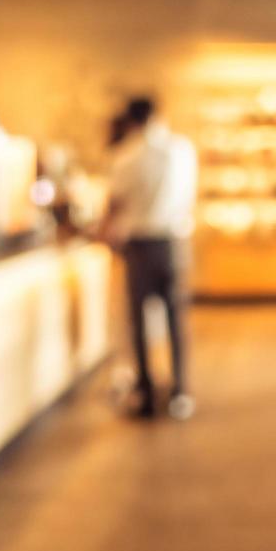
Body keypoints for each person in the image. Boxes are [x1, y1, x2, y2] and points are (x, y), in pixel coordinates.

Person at [101, 96, 198, 420]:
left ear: (131, 121)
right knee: (175, 319)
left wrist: (104, 230)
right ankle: (180, 391)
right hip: (173, 242)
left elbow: (114, 203)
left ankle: (145, 391)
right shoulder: (182, 150)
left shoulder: (127, 155)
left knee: (140, 321)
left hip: (140, 245)